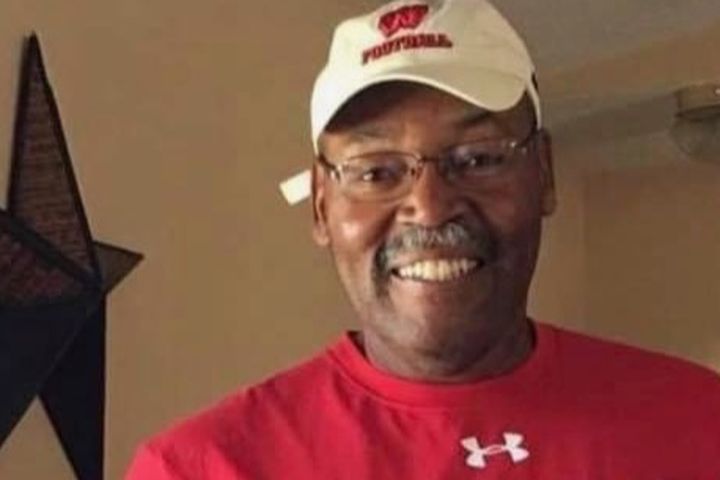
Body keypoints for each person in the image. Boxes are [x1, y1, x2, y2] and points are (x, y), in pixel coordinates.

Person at [126, 0, 720, 478]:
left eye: (479, 158)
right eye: (376, 171)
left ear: (543, 175)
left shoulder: (698, 424)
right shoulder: (199, 468)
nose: (430, 207)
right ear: (322, 204)